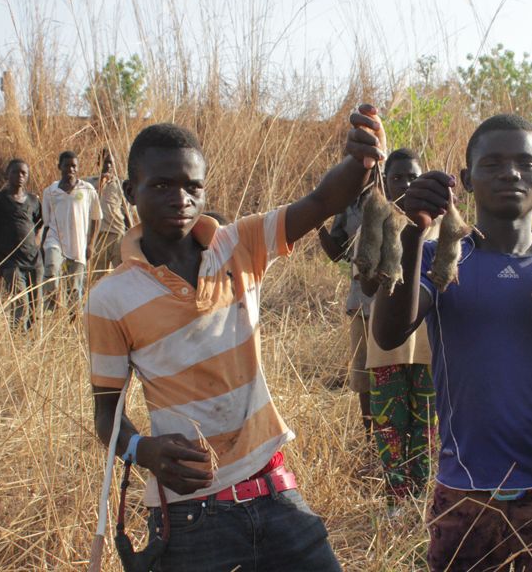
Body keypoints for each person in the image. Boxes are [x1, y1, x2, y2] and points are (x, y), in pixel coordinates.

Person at [86, 106, 385, 571]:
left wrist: (360, 158)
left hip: (275, 488)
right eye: (161, 185)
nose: (180, 197)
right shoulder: (111, 298)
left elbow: (324, 200)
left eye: (192, 186)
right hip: (189, 514)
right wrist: (143, 451)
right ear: (130, 192)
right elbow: (107, 416)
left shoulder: (240, 244)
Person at [373, 115, 532, 570]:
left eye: (526, 163)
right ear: (465, 180)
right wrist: (412, 231)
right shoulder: (440, 256)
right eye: (494, 163)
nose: (511, 174)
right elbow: (389, 333)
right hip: (466, 495)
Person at [358, 148, 437, 504]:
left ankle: (421, 498)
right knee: (390, 425)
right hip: (386, 345)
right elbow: (367, 287)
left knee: (428, 426)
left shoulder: (438, 227)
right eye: (397, 178)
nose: (405, 184)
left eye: (413, 177)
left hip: (429, 347)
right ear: (386, 185)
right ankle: (396, 498)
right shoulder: (376, 222)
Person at [317, 187, 374, 438]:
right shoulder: (349, 201)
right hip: (361, 301)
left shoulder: (395, 188)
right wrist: (318, 225)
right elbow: (338, 252)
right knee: (364, 375)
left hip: (396, 302)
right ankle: (371, 438)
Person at [42, 150, 101, 310]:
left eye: (74, 166)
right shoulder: (50, 192)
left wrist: (91, 244)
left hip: (77, 245)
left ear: (78, 168)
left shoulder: (87, 190)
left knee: (74, 290)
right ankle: (50, 311)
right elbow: (47, 224)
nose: (71, 169)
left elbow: (96, 217)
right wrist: (42, 248)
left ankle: (72, 325)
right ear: (59, 166)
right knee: (51, 273)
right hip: (55, 241)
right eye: (67, 165)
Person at [0, 159, 43, 329]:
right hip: (11, 263)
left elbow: (40, 224)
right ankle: (17, 342)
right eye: (16, 172)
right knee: (20, 305)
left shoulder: (32, 200)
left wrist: (36, 243)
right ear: (8, 173)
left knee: (35, 310)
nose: (20, 176)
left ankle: (31, 344)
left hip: (34, 262)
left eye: (24, 173)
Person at [91, 148, 132, 279]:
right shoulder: (89, 184)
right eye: (105, 162)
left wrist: (131, 235)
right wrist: (100, 184)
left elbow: (127, 212)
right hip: (98, 235)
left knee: (121, 273)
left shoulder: (121, 185)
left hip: (117, 233)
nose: (108, 166)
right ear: (98, 163)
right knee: (97, 277)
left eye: (111, 163)